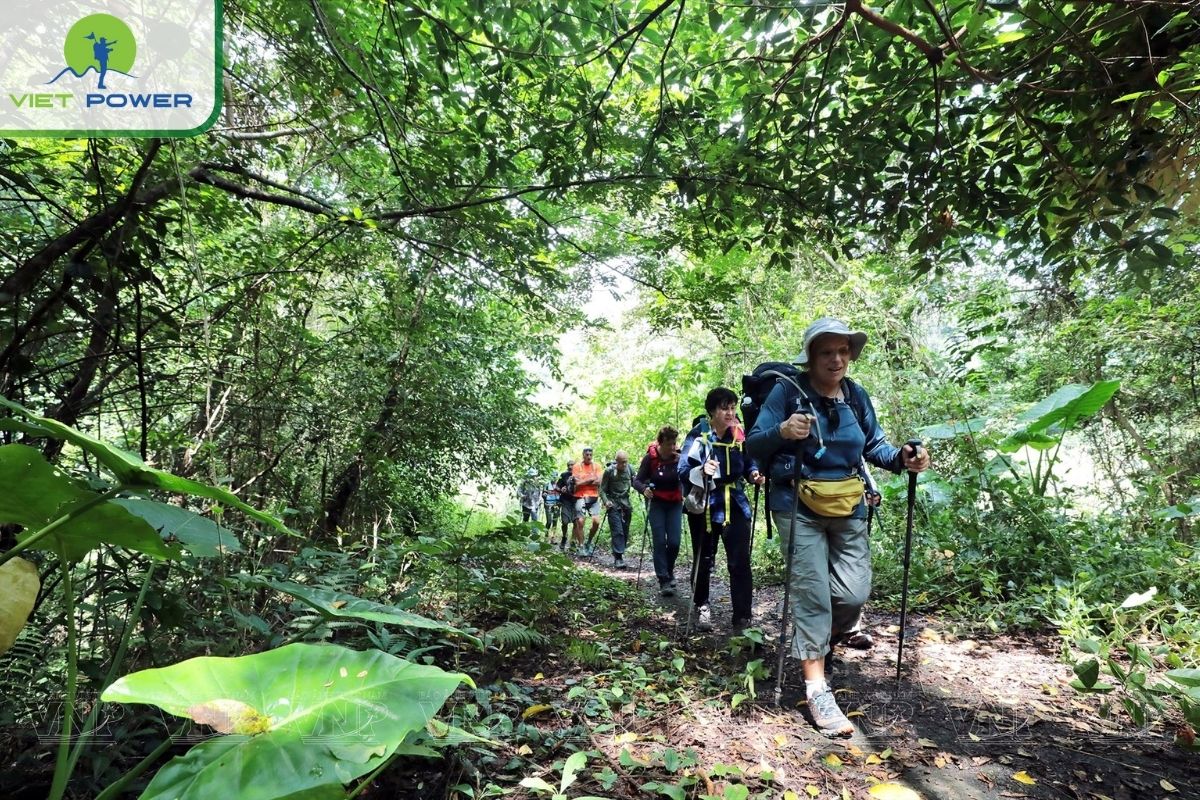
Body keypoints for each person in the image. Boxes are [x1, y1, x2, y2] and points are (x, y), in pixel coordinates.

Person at [746, 317, 931, 739]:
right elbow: (753, 443)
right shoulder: (786, 393)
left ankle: (822, 643)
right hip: (796, 503)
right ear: (810, 358)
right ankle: (816, 686)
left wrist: (904, 458)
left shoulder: (856, 396)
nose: (836, 359)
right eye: (826, 352)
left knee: (853, 593)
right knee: (812, 594)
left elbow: (875, 446)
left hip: (849, 502)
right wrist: (781, 430)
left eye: (843, 351)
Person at [680, 389, 765, 633]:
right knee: (704, 559)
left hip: (735, 504)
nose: (729, 413)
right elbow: (683, 468)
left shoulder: (739, 433)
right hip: (706, 504)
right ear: (711, 412)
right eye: (724, 408)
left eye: (732, 407)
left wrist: (754, 474)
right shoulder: (699, 435)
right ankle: (702, 606)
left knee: (740, 561)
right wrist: (702, 469)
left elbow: (749, 461)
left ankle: (742, 617)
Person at [633, 427, 683, 595]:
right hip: (657, 504)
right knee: (660, 541)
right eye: (669, 444)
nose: (672, 447)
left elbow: (689, 475)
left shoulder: (679, 457)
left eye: (674, 443)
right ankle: (663, 580)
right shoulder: (650, 459)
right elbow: (637, 481)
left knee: (675, 542)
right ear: (660, 443)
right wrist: (644, 489)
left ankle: (669, 570)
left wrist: (683, 462)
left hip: (675, 503)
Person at [599, 451, 634, 568]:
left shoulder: (630, 469)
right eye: (621, 462)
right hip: (613, 504)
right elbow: (602, 489)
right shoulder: (609, 471)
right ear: (616, 462)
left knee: (625, 530)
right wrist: (606, 501)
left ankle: (619, 552)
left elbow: (636, 482)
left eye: (625, 462)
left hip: (626, 504)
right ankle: (618, 557)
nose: (624, 465)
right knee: (617, 530)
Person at [571, 447, 603, 554]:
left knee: (596, 522)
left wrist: (583, 481)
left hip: (593, 497)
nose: (589, 456)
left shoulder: (597, 466)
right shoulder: (576, 467)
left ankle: (589, 541)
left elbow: (599, 482)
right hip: (580, 496)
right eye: (587, 455)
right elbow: (577, 483)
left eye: (590, 454)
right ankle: (581, 546)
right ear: (583, 455)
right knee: (580, 522)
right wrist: (590, 479)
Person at [555, 460, 576, 549]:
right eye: (569, 465)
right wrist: (560, 489)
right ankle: (564, 537)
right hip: (565, 501)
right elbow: (557, 486)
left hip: (576, 501)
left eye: (572, 465)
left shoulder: (580, 475)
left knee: (576, 522)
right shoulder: (564, 475)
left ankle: (573, 540)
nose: (570, 467)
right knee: (564, 522)